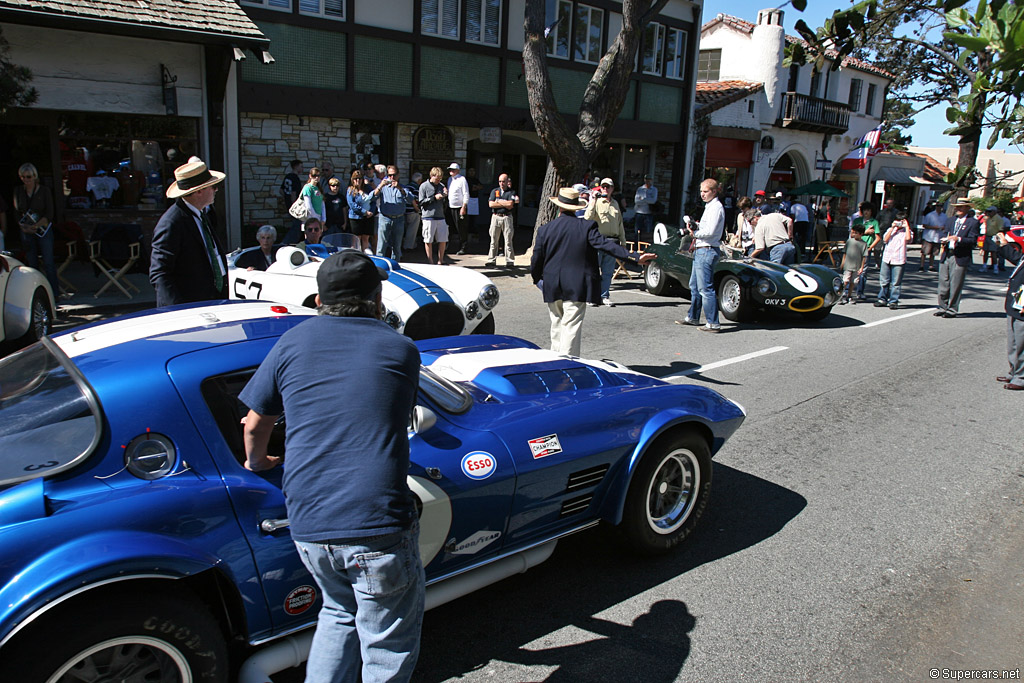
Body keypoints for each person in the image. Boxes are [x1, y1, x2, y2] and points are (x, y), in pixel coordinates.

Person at [240, 250, 424, 682]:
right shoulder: (400, 348)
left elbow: (254, 424)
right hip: (375, 523)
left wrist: (258, 461)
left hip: (307, 523)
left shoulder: (290, 343)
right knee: (386, 644)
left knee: (338, 612)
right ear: (378, 300)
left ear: (318, 299)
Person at [531, 187, 654, 355]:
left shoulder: (545, 229)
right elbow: (608, 246)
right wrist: (633, 256)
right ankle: (568, 365)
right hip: (576, 285)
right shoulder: (586, 227)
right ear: (576, 207)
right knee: (570, 328)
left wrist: (537, 279)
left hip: (552, 284)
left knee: (557, 326)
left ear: (559, 207)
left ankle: (555, 362)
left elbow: (536, 258)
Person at [150, 159, 227, 307]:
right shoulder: (172, 222)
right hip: (190, 307)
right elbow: (160, 273)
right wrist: (178, 311)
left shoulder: (201, 214)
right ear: (199, 191)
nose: (216, 190)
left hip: (211, 300)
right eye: (213, 186)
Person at [675, 179, 726, 332]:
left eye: (706, 191)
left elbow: (710, 232)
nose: (702, 194)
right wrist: (696, 226)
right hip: (702, 249)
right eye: (701, 191)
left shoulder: (716, 207)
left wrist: (694, 233)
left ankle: (713, 322)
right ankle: (693, 317)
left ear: (714, 191)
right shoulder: (710, 207)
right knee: (695, 286)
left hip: (707, 249)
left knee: (706, 288)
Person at [13, 162, 57, 296]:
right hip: (26, 230)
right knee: (32, 264)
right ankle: (36, 294)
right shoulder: (18, 191)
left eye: (29, 177)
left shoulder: (44, 191)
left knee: (48, 262)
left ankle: (54, 294)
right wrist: (24, 227)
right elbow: (16, 212)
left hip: (42, 229)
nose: (26, 180)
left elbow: (50, 213)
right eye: (23, 177)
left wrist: (36, 226)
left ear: (34, 176)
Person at [584, 177, 626, 307]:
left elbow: (619, 223)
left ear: (612, 189)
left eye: (608, 187)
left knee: (608, 272)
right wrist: (592, 201)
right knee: (593, 270)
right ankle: (592, 296)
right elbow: (587, 218)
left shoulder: (615, 204)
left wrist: (623, 242)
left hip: (612, 241)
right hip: (598, 240)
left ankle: (604, 295)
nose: (605, 189)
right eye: (603, 186)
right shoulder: (596, 202)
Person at [935, 199, 981, 318]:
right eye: (957, 207)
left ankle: (952, 309)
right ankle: (942, 306)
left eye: (961, 207)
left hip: (960, 255)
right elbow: (945, 233)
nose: (958, 209)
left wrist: (958, 239)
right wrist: (945, 239)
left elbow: (973, 240)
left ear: (967, 208)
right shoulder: (951, 221)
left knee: (956, 283)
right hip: (947, 253)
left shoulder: (973, 222)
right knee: (943, 282)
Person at [994, 230, 1024, 390]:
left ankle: (1021, 377)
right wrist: (1004, 245)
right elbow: (1016, 259)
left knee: (1022, 342)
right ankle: (1014, 371)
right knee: (1014, 341)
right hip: (1016, 302)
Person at [876, 211, 913, 309]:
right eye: (898, 220)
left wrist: (907, 227)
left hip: (899, 259)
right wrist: (893, 227)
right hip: (887, 257)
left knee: (896, 282)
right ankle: (882, 298)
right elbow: (885, 239)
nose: (899, 223)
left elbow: (909, 239)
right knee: (884, 280)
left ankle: (893, 300)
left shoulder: (907, 231)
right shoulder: (891, 229)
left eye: (901, 221)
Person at [373, 165, 410, 261]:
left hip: (399, 219)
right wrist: (380, 186)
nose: (392, 178)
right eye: (389, 175)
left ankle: (395, 266)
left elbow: (410, 199)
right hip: (385, 218)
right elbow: (372, 197)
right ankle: (379, 267)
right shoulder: (383, 188)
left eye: (394, 175)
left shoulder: (403, 188)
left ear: (398, 175)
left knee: (397, 247)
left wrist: (399, 188)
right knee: (381, 246)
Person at [485, 173, 518, 268]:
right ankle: (491, 260)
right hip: (495, 217)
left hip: (507, 217)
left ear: (507, 182)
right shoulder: (494, 191)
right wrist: (504, 203)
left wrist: (498, 201)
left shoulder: (511, 192)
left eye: (503, 181)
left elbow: (510, 205)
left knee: (508, 240)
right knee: (493, 240)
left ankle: (510, 261)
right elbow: (491, 204)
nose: (501, 183)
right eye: (500, 181)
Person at [418, 166, 449, 265]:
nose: (438, 180)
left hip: (440, 215)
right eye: (437, 178)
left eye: (440, 178)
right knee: (428, 239)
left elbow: (445, 202)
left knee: (443, 239)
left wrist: (445, 195)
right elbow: (421, 202)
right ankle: (430, 260)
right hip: (428, 216)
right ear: (432, 176)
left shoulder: (441, 186)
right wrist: (434, 198)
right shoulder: (424, 186)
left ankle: (441, 259)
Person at [852, 202, 880, 300]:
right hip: (855, 247)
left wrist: (870, 248)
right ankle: (848, 292)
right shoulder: (857, 221)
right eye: (864, 210)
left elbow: (877, 238)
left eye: (868, 210)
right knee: (851, 270)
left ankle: (860, 291)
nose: (866, 212)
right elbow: (852, 234)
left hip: (865, 248)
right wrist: (865, 232)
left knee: (863, 271)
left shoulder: (874, 222)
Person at [837, 224, 867, 304]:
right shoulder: (849, 241)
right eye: (853, 232)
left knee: (853, 282)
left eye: (855, 233)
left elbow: (864, 256)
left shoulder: (863, 244)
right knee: (845, 280)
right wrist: (842, 263)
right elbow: (845, 253)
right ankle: (841, 295)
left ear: (861, 234)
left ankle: (849, 295)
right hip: (848, 265)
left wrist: (861, 267)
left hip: (856, 266)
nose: (853, 234)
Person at [347, 169, 375, 254]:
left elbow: (373, 200)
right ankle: (356, 255)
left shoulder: (368, 188)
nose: (358, 180)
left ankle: (366, 255)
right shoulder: (350, 190)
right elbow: (352, 205)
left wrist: (371, 211)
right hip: (356, 218)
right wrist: (364, 212)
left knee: (365, 238)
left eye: (359, 178)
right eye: (356, 179)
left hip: (368, 217)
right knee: (356, 239)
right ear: (352, 180)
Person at [446, 162, 470, 254]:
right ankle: (448, 246)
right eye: (450, 170)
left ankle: (463, 247)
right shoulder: (449, 179)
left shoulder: (462, 179)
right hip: (450, 207)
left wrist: (464, 207)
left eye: (453, 170)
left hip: (459, 207)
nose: (451, 171)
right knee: (449, 228)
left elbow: (466, 193)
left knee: (461, 228)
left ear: (457, 170)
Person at [298, 167, 326, 242]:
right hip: (310, 218)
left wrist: (323, 218)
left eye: (318, 176)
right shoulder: (307, 188)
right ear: (310, 176)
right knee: (309, 239)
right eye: (314, 176)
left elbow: (322, 203)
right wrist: (315, 218)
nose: (316, 178)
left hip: (318, 218)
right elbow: (308, 206)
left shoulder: (318, 188)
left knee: (317, 239)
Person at [919, 203, 946, 272]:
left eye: (940, 206)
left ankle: (931, 266)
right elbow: (924, 225)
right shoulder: (930, 215)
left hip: (938, 237)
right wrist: (934, 227)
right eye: (937, 206)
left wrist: (943, 228)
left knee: (933, 252)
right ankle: (921, 266)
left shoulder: (944, 216)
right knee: (924, 252)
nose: (939, 207)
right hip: (929, 236)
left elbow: (946, 225)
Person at [281, 159, 303, 244]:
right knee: (297, 226)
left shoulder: (287, 177)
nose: (302, 169)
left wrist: (287, 199)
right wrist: (295, 206)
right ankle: (287, 243)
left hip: (288, 205)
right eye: (301, 166)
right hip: (294, 207)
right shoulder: (295, 178)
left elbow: (281, 190)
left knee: (295, 225)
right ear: (296, 166)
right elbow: (294, 193)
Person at [633, 174, 658, 243]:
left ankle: (645, 247)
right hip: (639, 212)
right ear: (644, 180)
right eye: (647, 179)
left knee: (647, 232)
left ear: (652, 180)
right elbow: (636, 201)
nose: (648, 181)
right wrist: (647, 200)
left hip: (648, 213)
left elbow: (653, 201)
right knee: (637, 231)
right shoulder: (640, 189)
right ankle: (636, 246)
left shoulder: (654, 190)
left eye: (649, 180)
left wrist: (643, 199)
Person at [403, 172, 423, 254]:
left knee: (408, 228)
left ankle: (412, 244)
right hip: (413, 210)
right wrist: (417, 209)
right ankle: (409, 246)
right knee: (412, 229)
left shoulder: (407, 186)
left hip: (406, 210)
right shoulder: (416, 188)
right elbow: (414, 199)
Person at [981, 206, 1003, 272]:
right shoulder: (988, 219)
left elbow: (1001, 229)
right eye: (988, 211)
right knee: (985, 252)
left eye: (990, 211)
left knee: (993, 253)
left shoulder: (998, 219)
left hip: (994, 237)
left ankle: (995, 268)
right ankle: (984, 266)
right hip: (987, 236)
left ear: (994, 211)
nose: (988, 213)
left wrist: (998, 239)